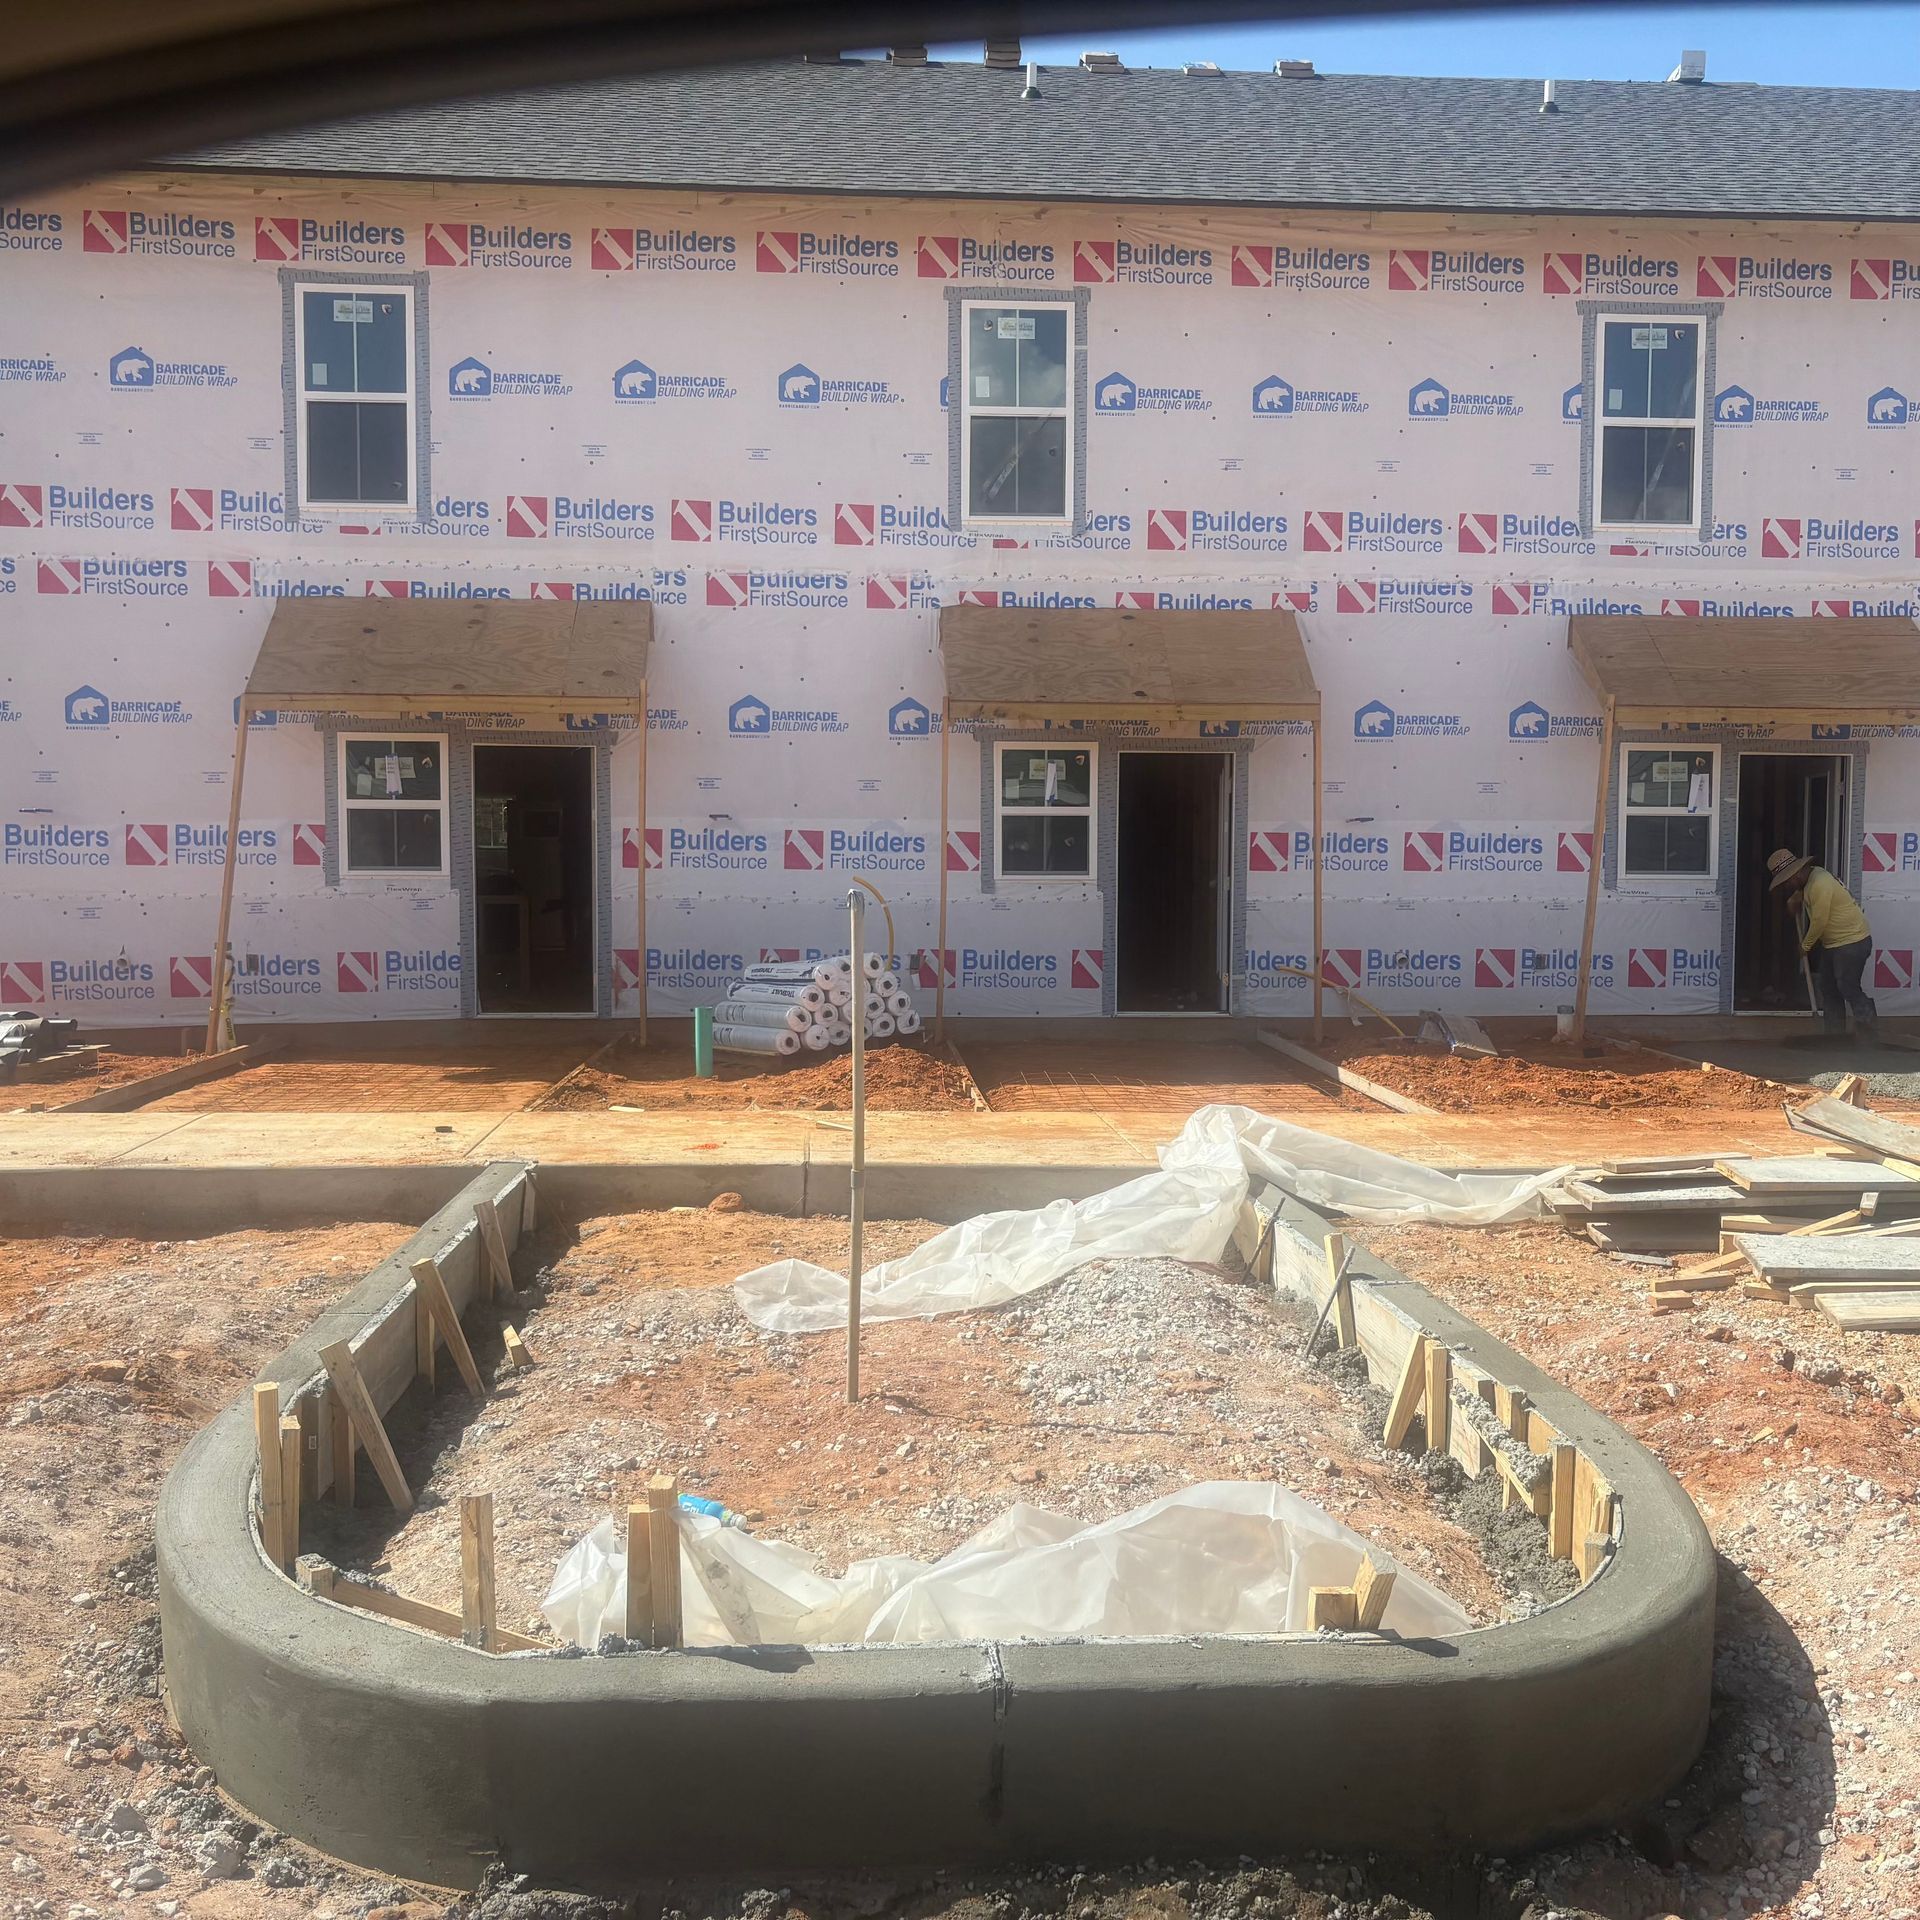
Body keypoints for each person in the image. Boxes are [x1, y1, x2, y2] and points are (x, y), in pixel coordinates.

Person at [1767, 847, 1876, 1040]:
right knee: (1829, 988)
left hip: (1852, 941)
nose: (1789, 884)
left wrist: (1805, 946)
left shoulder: (1820, 883)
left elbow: (1819, 921)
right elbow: (1804, 892)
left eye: (1789, 880)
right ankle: (1834, 1037)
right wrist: (1795, 899)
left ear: (1798, 872)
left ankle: (1869, 1030)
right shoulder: (1812, 877)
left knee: (1847, 986)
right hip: (1833, 943)